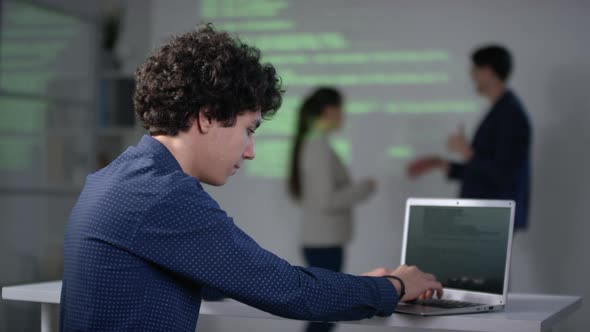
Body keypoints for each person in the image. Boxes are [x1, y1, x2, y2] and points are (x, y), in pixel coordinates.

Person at [59, 24, 443, 332]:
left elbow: (229, 277)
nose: (250, 150)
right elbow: (289, 293)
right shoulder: (162, 194)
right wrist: (393, 287)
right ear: (207, 116)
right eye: (249, 129)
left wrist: (357, 286)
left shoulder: (122, 177)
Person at [407, 45, 532, 230]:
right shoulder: (501, 110)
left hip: (494, 218)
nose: (472, 75)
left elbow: (504, 173)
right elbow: (483, 169)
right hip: (486, 216)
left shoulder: (510, 114)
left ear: (488, 72)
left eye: (475, 70)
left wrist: (467, 152)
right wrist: (443, 165)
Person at [288, 87, 375, 332]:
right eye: (341, 110)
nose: (343, 116)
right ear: (329, 111)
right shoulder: (317, 147)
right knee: (324, 317)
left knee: (325, 315)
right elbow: (327, 200)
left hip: (324, 242)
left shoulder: (316, 144)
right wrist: (364, 188)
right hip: (323, 244)